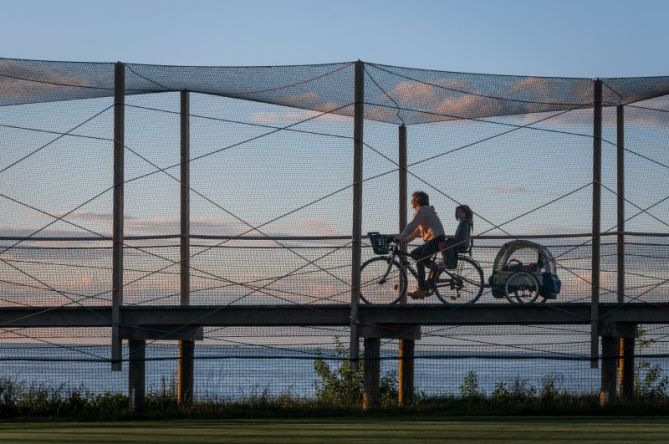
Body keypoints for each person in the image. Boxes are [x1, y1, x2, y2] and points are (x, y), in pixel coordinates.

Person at [394, 191, 446, 299]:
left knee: (418, 257)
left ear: (417, 200)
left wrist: (399, 238)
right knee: (416, 255)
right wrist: (405, 240)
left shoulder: (422, 210)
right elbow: (417, 230)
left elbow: (411, 225)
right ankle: (427, 280)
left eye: (413, 199)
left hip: (436, 239)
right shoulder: (424, 211)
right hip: (435, 239)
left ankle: (423, 287)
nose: (411, 201)